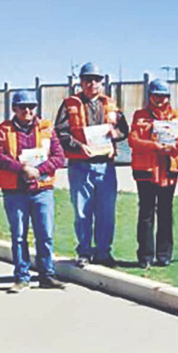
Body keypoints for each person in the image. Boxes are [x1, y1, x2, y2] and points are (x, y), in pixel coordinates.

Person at [0, 89, 68, 292]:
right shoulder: (3, 130)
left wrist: (38, 171)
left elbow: (59, 157)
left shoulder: (47, 128)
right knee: (18, 235)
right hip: (15, 191)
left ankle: (46, 275)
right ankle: (21, 276)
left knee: (45, 234)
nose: (27, 110)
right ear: (14, 108)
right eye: (22, 107)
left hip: (42, 190)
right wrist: (21, 169)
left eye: (31, 106)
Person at [55, 62, 129, 267]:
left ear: (102, 83)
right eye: (88, 80)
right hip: (80, 165)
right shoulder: (69, 104)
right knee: (82, 211)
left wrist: (117, 134)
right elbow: (61, 131)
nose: (92, 84)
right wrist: (78, 146)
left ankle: (104, 252)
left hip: (105, 165)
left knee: (106, 211)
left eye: (96, 80)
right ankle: (84, 251)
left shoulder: (111, 105)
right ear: (81, 82)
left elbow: (124, 129)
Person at [127, 79, 178, 268]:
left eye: (163, 96)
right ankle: (145, 256)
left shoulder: (176, 116)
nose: (160, 99)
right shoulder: (140, 115)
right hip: (146, 171)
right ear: (150, 96)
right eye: (156, 95)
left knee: (165, 212)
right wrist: (154, 146)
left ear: (168, 97)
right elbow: (133, 140)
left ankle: (164, 255)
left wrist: (173, 147)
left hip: (168, 171)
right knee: (146, 213)